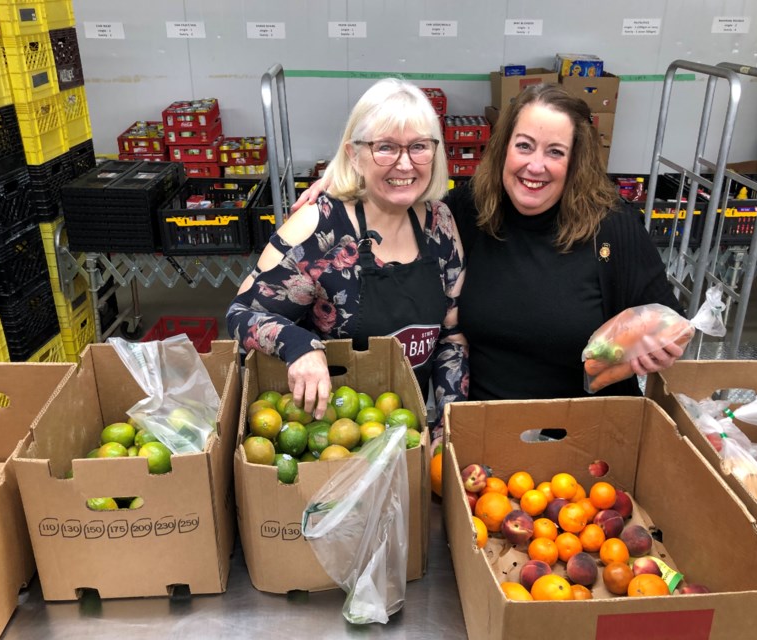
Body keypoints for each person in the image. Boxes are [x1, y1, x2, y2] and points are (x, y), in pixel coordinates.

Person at [295, 83, 683, 404]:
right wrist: (343, 185)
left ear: (576, 161)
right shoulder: (471, 210)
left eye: (555, 152)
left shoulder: (612, 226)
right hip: (485, 436)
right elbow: (401, 192)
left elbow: (669, 320)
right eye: (524, 145)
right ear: (504, 148)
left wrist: (663, 345)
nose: (535, 166)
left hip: (586, 436)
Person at [226, 78, 467, 432]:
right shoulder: (319, 227)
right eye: (385, 147)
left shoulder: (440, 224)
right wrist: (298, 345)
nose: (404, 165)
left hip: (407, 432)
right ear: (354, 154)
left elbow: (451, 337)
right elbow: (240, 315)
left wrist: (447, 429)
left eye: (418, 147)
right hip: (329, 437)